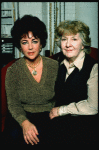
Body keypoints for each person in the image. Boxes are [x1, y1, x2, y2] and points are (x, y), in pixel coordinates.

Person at [5, 15, 59, 146]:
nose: (30, 47)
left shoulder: (55, 66)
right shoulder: (12, 71)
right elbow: (13, 104)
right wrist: (25, 123)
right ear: (20, 45)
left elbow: (63, 96)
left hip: (49, 116)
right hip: (23, 116)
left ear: (41, 44)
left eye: (34, 41)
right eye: (25, 42)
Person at [49, 20, 98, 144]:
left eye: (74, 39)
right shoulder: (57, 64)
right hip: (58, 127)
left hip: (84, 129)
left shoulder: (94, 67)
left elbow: (93, 106)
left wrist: (61, 110)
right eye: (64, 39)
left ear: (83, 44)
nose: (68, 44)